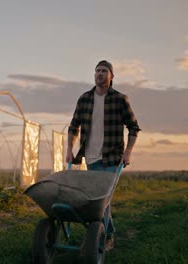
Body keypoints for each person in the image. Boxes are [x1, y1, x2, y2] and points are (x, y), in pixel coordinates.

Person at [66, 60, 140, 251]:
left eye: (104, 71)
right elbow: (74, 126)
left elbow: (133, 127)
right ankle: (100, 234)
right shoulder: (84, 99)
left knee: (103, 199)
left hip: (112, 158)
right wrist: (69, 149)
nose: (100, 73)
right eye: (97, 71)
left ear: (111, 76)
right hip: (90, 157)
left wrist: (128, 152)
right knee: (97, 201)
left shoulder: (120, 99)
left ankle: (104, 236)